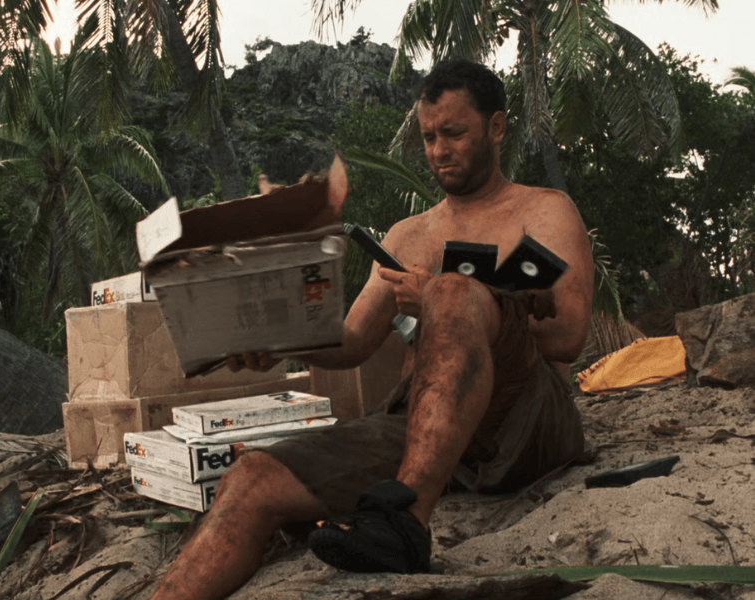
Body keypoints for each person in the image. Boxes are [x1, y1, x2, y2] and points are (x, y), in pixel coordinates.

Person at [147, 57, 594, 600]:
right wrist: (277, 339)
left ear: (496, 127)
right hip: (422, 426)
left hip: (523, 421)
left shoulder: (542, 212)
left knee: (453, 289)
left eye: (454, 133)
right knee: (250, 479)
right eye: (429, 136)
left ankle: (404, 522)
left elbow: (569, 335)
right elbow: (354, 340)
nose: (438, 150)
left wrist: (440, 301)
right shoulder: (410, 234)